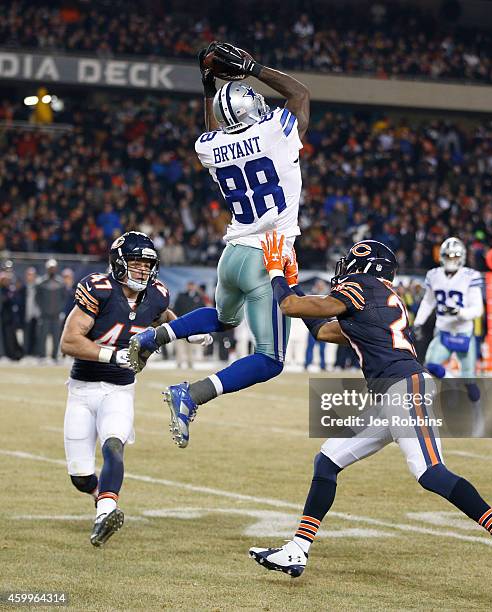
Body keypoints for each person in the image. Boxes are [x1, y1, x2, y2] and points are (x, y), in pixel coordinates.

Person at [249, 232, 492, 589]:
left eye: (350, 263)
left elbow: (290, 307)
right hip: (388, 395)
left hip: (404, 389)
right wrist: (291, 283)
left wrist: (277, 273)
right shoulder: (376, 297)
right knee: (327, 460)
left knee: (430, 472)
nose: (345, 270)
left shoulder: (362, 286)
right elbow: (323, 331)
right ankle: (299, 548)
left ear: (364, 266)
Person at [129, 41, 310, 448]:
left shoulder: (209, 146)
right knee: (270, 359)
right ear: (252, 108)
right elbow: (299, 94)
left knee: (226, 319)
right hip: (269, 256)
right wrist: (254, 66)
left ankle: (153, 338)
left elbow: (214, 128)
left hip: (232, 254)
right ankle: (190, 394)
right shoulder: (275, 131)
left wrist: (208, 88)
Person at [60, 231, 210, 546]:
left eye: (147, 264)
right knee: (80, 476)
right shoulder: (99, 290)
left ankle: (105, 512)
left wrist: (185, 330)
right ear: (118, 262)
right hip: (82, 388)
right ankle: (98, 494)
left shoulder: (156, 294)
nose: (142, 270)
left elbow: (162, 314)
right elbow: (69, 341)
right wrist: (112, 355)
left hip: (120, 389)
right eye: (136, 263)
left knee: (114, 445)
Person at [412, 238, 484, 436]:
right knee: (430, 366)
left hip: (464, 334)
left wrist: (459, 312)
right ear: (441, 257)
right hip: (443, 331)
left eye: (455, 255)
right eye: (448, 255)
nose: (451, 259)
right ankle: (451, 381)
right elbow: (428, 302)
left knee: (469, 381)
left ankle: (478, 416)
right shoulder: (433, 275)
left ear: (461, 257)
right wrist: (418, 322)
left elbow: (478, 308)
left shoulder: (470, 276)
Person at [36, 259, 66, 361]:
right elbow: (37, 298)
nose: (52, 270)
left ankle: (54, 356)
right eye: (50, 268)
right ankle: (42, 356)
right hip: (44, 315)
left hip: (56, 315)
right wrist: (43, 309)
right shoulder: (41, 282)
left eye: (53, 268)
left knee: (56, 337)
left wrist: (59, 308)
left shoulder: (60, 283)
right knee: (42, 336)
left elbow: (64, 298)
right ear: (47, 269)